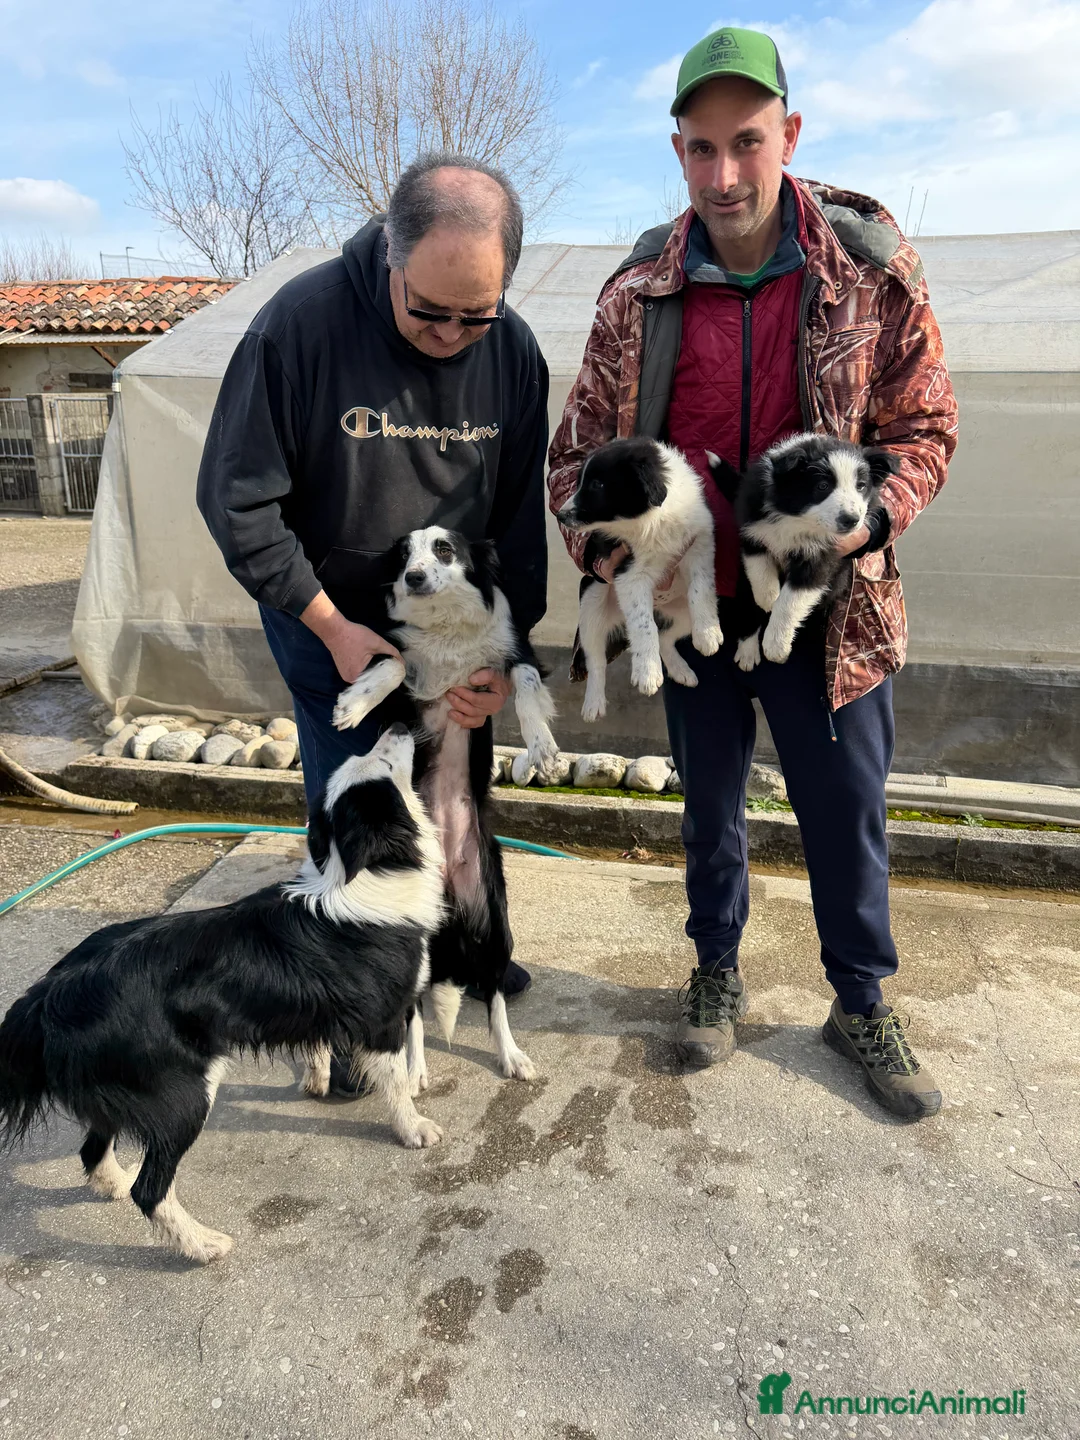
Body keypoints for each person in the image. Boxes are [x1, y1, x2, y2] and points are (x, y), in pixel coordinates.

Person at [548, 27, 958, 1119]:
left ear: (791, 133)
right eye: (700, 150)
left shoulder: (869, 269)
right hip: (693, 608)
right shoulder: (635, 290)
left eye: (748, 143)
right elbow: (575, 454)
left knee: (844, 807)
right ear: (675, 151)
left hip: (830, 603)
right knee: (710, 807)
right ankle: (714, 970)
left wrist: (872, 526)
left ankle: (859, 998)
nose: (725, 177)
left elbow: (924, 430)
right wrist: (593, 542)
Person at [198, 152, 549, 1091]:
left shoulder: (510, 351)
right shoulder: (300, 328)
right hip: (336, 623)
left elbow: (518, 528)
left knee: (458, 806)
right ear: (391, 258)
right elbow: (238, 504)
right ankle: (350, 1001)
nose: (449, 335)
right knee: (353, 804)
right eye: (428, 311)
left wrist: (498, 666)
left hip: (456, 631)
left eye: (474, 314)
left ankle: (456, 944)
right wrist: (328, 623)